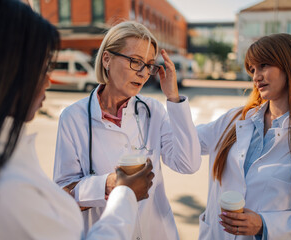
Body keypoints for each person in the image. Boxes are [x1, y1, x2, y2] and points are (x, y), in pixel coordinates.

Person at [0, 1, 154, 239]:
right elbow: (64, 193)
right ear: (3, 70)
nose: (48, 80)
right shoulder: (4, 189)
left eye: (148, 65)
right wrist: (124, 192)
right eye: (44, 66)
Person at [53, 21, 201, 239]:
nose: (143, 73)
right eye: (135, 61)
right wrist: (110, 184)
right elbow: (63, 194)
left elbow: (188, 164)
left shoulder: (153, 110)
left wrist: (174, 98)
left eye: (149, 65)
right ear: (107, 59)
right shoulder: (73, 117)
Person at [197, 33, 291, 239]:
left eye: (264, 65)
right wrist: (174, 99)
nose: (256, 76)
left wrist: (264, 225)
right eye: (252, 69)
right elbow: (185, 140)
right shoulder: (235, 119)